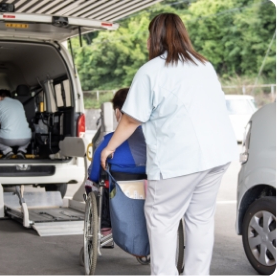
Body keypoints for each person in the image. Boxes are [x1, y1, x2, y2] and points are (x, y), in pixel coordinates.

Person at [100, 13, 237, 275]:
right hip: (217, 155)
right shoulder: (204, 66)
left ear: (153, 38)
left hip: (180, 160)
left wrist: (108, 148)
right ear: (183, 34)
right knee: (200, 220)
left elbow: (130, 120)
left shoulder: (151, 71)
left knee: (161, 219)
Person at [87, 88, 147, 236]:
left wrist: (92, 179)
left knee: (95, 184)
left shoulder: (109, 141)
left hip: (118, 187)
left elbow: (95, 173)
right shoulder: (151, 139)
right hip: (150, 185)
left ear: (117, 112)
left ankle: (106, 225)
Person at [0, 89, 32, 159]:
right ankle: (21, 151)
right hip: (26, 139)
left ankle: (8, 151)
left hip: (8, 138)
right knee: (28, 133)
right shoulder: (18, 103)